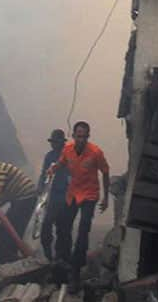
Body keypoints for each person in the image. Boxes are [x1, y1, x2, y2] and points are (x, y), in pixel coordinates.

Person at [50, 121, 109, 293]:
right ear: (74, 136)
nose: (81, 139)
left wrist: (105, 198)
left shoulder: (95, 152)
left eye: (84, 136)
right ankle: (63, 262)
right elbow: (60, 163)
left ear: (88, 137)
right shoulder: (67, 149)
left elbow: (105, 172)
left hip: (89, 195)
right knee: (63, 226)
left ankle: (75, 271)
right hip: (73, 193)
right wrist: (53, 169)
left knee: (83, 230)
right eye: (78, 136)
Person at [0, 150, 36, 264]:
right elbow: (3, 198)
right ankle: (9, 256)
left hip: (25, 198)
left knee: (9, 228)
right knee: (11, 228)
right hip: (23, 198)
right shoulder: (0, 169)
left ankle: (8, 258)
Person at [38, 129, 69, 261]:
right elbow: (44, 173)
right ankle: (48, 255)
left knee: (63, 228)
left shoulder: (70, 155)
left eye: (56, 142)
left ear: (62, 142)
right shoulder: (49, 156)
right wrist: (40, 186)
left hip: (66, 197)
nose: (54, 145)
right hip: (51, 196)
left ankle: (61, 257)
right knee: (46, 225)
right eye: (53, 142)